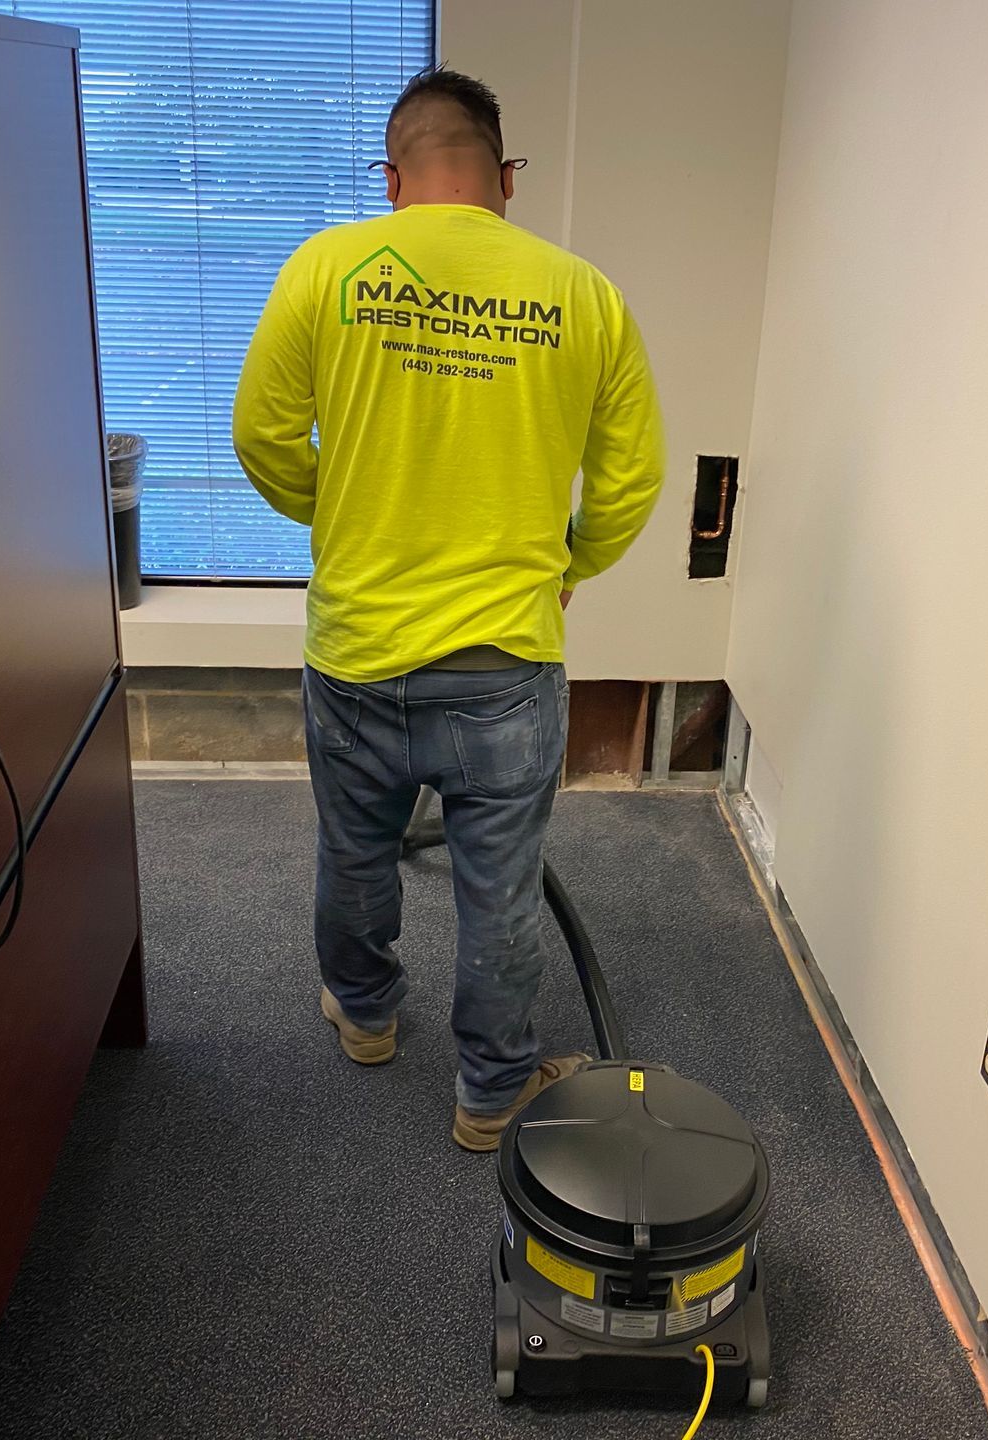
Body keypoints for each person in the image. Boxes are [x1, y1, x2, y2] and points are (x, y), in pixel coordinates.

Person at [232, 67, 665, 1152]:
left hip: (358, 651)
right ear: (504, 177)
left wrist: (342, 517)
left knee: (354, 852)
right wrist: (572, 565)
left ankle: (367, 1018)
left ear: (393, 179)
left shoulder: (326, 270)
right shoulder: (584, 295)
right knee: (500, 888)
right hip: (505, 662)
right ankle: (490, 1095)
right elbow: (631, 484)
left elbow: (260, 438)